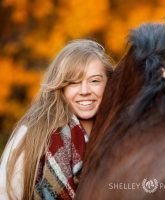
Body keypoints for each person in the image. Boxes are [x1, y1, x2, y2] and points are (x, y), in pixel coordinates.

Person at [0, 39, 114, 199]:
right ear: (61, 87)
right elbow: (6, 194)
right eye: (73, 82)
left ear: (109, 83)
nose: (85, 90)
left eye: (94, 81)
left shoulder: (117, 133)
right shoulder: (32, 133)